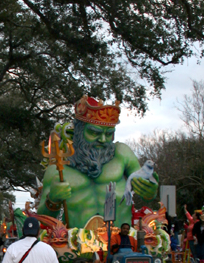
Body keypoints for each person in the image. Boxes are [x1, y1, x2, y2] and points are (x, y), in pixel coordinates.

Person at [38, 96, 159, 227]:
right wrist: (53, 200)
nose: (102, 139)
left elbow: (143, 182)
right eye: (94, 133)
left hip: (121, 241)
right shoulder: (58, 167)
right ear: (79, 131)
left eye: (108, 134)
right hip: (74, 244)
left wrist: (149, 188)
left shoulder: (122, 154)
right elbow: (42, 219)